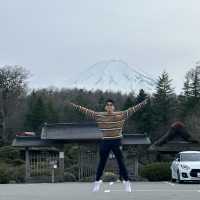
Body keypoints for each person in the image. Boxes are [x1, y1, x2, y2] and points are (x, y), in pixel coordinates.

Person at [67, 98, 148, 192]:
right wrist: (75, 106)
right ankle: (97, 182)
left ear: (114, 107)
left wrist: (143, 103)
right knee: (102, 162)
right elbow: (86, 111)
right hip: (105, 141)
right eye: (108, 105)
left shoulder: (121, 114)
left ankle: (126, 183)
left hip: (116, 140)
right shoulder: (99, 115)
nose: (109, 106)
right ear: (105, 107)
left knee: (121, 162)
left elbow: (133, 109)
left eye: (111, 105)